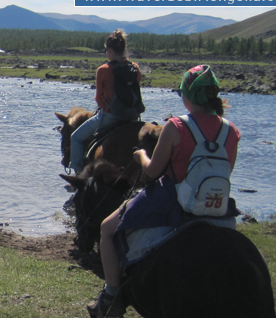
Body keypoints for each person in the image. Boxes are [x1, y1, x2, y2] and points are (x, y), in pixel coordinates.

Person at [87, 65, 241, 318]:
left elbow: (153, 172)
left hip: (172, 200)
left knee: (106, 229)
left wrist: (141, 156)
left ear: (188, 95)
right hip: (217, 205)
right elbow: (226, 172)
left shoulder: (177, 126)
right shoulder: (231, 131)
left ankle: (112, 296)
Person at [69, 29, 142, 174]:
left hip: (110, 116)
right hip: (133, 116)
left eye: (106, 50)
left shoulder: (103, 70)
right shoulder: (135, 68)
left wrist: (105, 107)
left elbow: (98, 98)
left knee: (75, 137)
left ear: (109, 50)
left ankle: (78, 174)